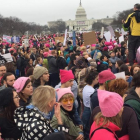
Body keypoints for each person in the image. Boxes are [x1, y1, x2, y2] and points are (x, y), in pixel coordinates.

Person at [82, 70, 99, 139]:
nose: (98, 80)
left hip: (85, 109)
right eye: (97, 79)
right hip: (89, 110)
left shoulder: (86, 87)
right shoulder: (92, 91)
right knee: (88, 129)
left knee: (86, 128)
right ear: (93, 80)